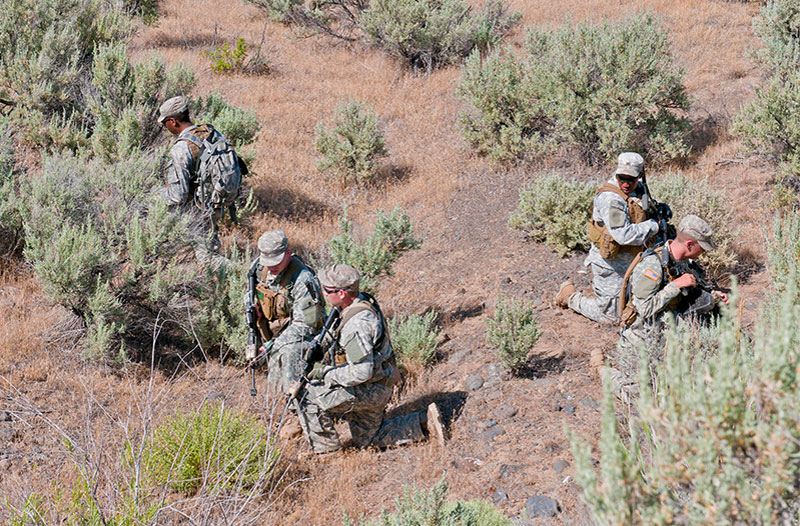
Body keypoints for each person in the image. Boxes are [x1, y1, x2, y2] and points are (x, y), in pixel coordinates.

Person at [296, 264, 445, 455]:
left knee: (307, 398)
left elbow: (361, 371)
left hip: (371, 387)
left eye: (328, 290)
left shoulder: (357, 325)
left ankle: (327, 453)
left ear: (342, 293)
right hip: (379, 381)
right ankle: (424, 422)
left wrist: (326, 373)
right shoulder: (357, 302)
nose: (324, 294)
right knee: (369, 440)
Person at [609, 215, 728, 402]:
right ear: (690, 244)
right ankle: (603, 370)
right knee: (640, 396)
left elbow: (692, 295)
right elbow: (644, 308)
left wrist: (713, 297)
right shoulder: (652, 266)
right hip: (643, 337)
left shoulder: (683, 263)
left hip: (668, 331)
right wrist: (675, 286)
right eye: (701, 247)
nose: (703, 252)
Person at [555, 152, 661, 324]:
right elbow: (622, 234)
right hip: (611, 264)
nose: (625, 184)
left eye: (631, 179)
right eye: (621, 178)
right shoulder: (611, 198)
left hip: (633, 259)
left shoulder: (639, 187)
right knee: (612, 317)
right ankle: (570, 297)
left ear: (640, 176)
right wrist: (654, 225)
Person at [158, 95, 244, 256]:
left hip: (199, 207)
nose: (165, 127)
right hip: (215, 199)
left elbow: (178, 196)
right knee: (208, 248)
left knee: (207, 257)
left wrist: (153, 196)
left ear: (173, 121)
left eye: (165, 123)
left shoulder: (181, 148)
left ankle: (238, 275)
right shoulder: (210, 132)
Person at [246, 230, 325, 396]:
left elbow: (306, 325)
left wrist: (271, 346)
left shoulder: (303, 279)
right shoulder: (260, 268)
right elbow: (252, 291)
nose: (271, 266)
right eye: (267, 261)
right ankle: (274, 398)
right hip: (275, 328)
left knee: (287, 352)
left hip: (306, 336)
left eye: (276, 261)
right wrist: (252, 305)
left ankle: (295, 401)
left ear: (287, 253)